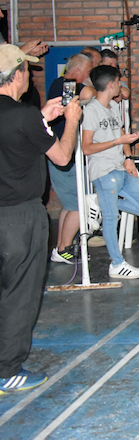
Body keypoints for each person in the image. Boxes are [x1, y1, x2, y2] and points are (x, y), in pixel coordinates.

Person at [0, 44, 81, 394]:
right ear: (16, 75)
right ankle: (7, 370)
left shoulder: (28, 117)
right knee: (19, 293)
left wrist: (43, 119)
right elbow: (62, 157)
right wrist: (71, 121)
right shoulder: (24, 115)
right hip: (19, 217)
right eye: (27, 71)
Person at [81, 65, 139, 279]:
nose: (121, 86)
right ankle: (117, 264)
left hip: (121, 167)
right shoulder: (91, 110)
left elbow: (122, 135)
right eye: (119, 82)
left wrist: (128, 157)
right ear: (111, 85)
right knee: (111, 218)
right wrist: (117, 142)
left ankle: (97, 203)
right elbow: (86, 148)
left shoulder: (113, 106)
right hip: (103, 170)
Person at [47, 54, 97, 263]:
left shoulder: (58, 85)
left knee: (69, 205)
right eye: (88, 72)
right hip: (64, 156)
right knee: (80, 205)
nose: (89, 76)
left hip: (63, 155)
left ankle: (61, 248)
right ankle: (63, 248)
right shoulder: (65, 85)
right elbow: (91, 93)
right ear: (77, 72)